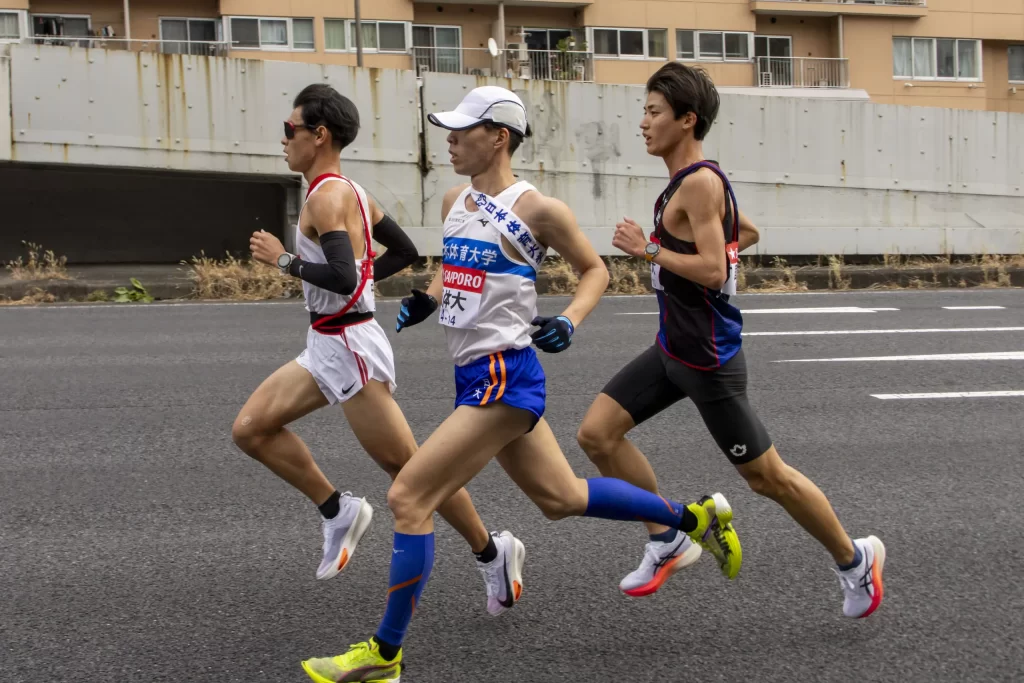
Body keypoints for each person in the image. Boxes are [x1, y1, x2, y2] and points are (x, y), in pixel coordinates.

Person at [299, 85, 743, 683]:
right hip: (472, 375)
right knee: (560, 499)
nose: (450, 141)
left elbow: (595, 270)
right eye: (449, 130)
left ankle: (384, 655)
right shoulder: (457, 198)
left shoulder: (538, 209)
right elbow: (456, 265)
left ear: (499, 137)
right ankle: (692, 521)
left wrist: (568, 320)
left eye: (462, 131)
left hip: (505, 374)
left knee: (408, 497)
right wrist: (429, 300)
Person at [577, 62, 886, 618]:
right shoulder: (692, 182)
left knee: (768, 479)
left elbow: (715, 271)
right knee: (598, 435)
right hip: (673, 349)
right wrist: (694, 244)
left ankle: (854, 558)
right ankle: (668, 537)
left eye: (653, 112)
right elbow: (748, 233)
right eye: (643, 112)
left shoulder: (698, 180)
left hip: (709, 362)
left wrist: (646, 250)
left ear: (687, 120)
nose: (642, 123)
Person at [237, 83, 524, 615]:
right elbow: (404, 253)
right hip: (327, 339)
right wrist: (364, 281)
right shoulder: (350, 191)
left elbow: (344, 278)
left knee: (412, 471)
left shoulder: (327, 195)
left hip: (348, 345)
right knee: (252, 429)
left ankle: (491, 551)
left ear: (318, 135)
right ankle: (336, 509)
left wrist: (282, 261)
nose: (283, 140)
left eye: (289, 129)